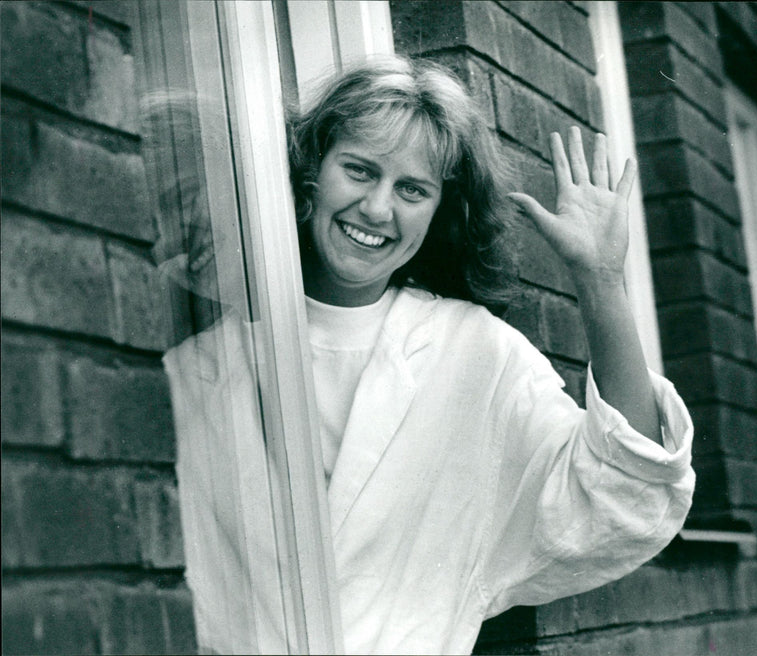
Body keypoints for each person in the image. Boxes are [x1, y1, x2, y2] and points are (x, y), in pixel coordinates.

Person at [160, 55, 695, 655]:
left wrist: (600, 282)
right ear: (311, 174)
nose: (378, 209)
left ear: (441, 210)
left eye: (412, 189)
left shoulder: (474, 353)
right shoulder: (194, 370)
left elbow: (629, 494)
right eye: (359, 170)